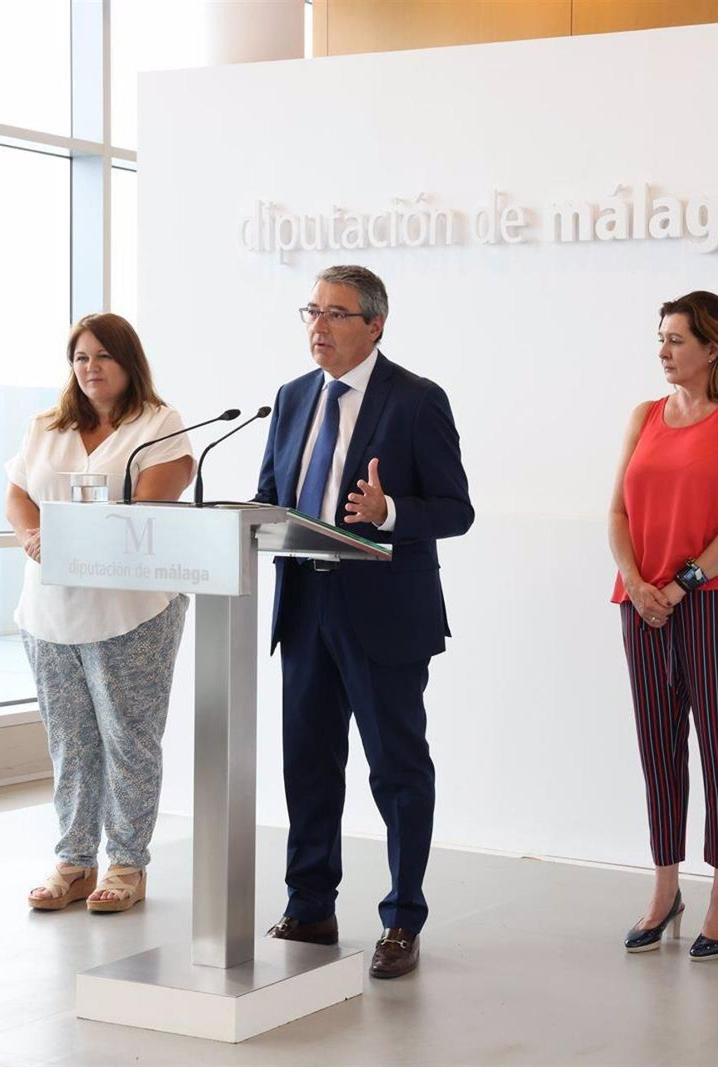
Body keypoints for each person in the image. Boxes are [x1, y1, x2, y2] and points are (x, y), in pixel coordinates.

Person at [254, 264, 473, 979]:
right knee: (309, 763)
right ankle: (311, 903)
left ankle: (402, 916)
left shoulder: (416, 400)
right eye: (311, 311)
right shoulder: (289, 400)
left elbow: (456, 509)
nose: (318, 326)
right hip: (304, 604)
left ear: (376, 324)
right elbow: (267, 499)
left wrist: (389, 514)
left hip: (383, 612)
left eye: (336, 314)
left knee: (396, 769)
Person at [6, 313, 196, 914]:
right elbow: (17, 492)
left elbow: (149, 503)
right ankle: (74, 860)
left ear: (127, 361)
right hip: (49, 608)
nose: (90, 368)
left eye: (102, 357)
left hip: (129, 611)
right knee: (69, 741)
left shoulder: (158, 425)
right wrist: (32, 530)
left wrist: (68, 534)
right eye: (80, 358)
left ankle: (127, 864)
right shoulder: (46, 425)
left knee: (129, 739)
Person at [610, 290, 718, 960]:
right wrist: (640, 583)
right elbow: (618, 511)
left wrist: (682, 582)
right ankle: (665, 886)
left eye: (676, 338)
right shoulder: (644, 415)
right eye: (661, 337)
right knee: (658, 748)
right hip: (640, 601)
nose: (664, 350)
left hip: (712, 602)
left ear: (713, 346)